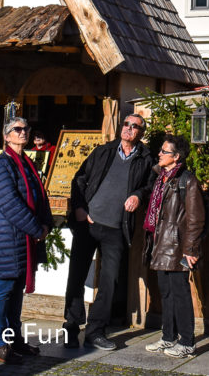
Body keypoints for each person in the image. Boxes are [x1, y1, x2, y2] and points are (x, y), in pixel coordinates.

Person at [63, 113, 156, 350]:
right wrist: (80, 209)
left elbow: (149, 186)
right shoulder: (103, 151)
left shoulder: (146, 159)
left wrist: (138, 195)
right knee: (76, 276)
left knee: (110, 280)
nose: (129, 128)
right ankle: (71, 327)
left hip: (116, 227)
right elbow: (79, 179)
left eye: (135, 126)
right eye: (126, 124)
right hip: (88, 224)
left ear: (140, 133)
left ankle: (95, 331)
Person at [0, 117, 54, 364]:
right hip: (7, 238)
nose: (23, 132)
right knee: (2, 290)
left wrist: (45, 223)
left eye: (26, 129)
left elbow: (40, 196)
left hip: (23, 238)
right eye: (17, 129)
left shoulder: (27, 163)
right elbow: (10, 204)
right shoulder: (1, 165)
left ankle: (14, 339)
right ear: (6, 136)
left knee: (16, 292)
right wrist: (37, 229)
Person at [143, 135, 204, 358]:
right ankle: (168, 338)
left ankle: (187, 342)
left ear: (176, 157)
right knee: (166, 293)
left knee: (180, 294)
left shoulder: (187, 180)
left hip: (177, 245)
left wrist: (191, 249)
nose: (159, 154)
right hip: (160, 242)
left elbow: (195, 218)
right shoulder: (161, 177)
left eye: (164, 151)